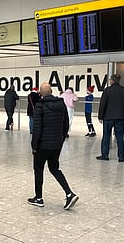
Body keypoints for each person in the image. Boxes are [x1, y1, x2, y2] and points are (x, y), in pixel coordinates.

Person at [28, 82, 78, 210]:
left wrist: (34, 146)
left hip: (43, 145)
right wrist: (60, 139)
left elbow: (37, 128)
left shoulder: (40, 106)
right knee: (54, 168)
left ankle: (38, 198)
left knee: (38, 169)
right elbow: (66, 124)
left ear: (40, 93)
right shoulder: (61, 104)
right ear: (51, 91)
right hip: (56, 144)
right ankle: (69, 193)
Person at [96, 74, 124, 162]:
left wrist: (100, 116)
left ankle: (105, 155)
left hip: (108, 117)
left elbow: (103, 104)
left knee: (106, 136)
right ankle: (121, 156)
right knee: (120, 137)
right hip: (121, 118)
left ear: (112, 81)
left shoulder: (107, 90)